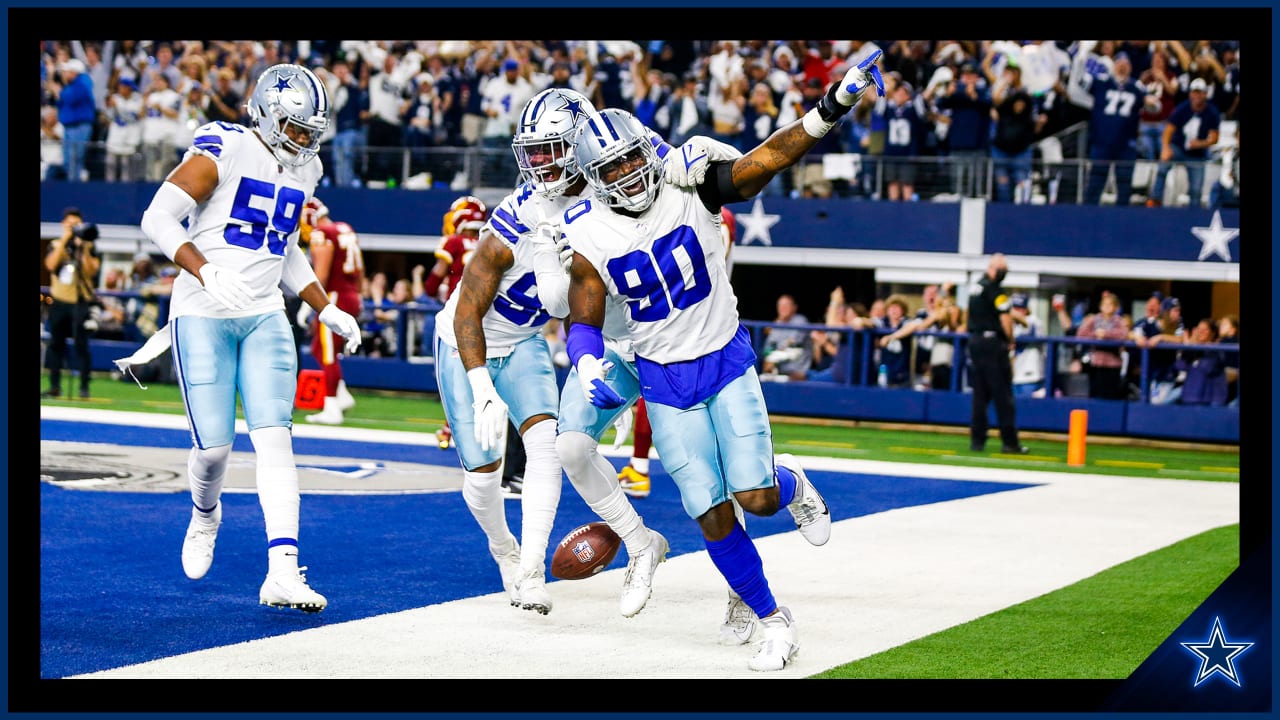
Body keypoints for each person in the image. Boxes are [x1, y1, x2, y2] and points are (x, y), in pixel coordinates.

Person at [561, 52, 882, 670]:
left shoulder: (691, 183)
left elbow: (772, 156)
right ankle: (772, 617)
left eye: (633, 156)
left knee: (755, 497)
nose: (629, 172)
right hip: (661, 377)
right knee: (707, 509)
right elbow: (585, 311)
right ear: (594, 178)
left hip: (724, 361)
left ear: (646, 148)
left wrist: (833, 105)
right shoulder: (589, 230)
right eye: (614, 166)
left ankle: (791, 484)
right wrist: (584, 361)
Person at [136, 64, 362, 613]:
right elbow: (158, 217)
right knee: (213, 450)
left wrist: (324, 306)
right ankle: (204, 513)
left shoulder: (305, 170)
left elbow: (281, 246)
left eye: (313, 131)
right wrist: (204, 270)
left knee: (275, 440)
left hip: (264, 312)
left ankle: (282, 570)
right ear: (264, 113)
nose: (305, 141)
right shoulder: (228, 147)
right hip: (201, 311)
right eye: (296, 128)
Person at [619, 205, 738, 497]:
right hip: (691, 317)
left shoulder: (710, 213)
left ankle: (739, 471)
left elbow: (705, 262)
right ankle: (642, 465)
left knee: (695, 397)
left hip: (700, 319)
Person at [429, 196, 488, 451]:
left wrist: (433, 286)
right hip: (489, 316)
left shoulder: (454, 242)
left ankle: (450, 428)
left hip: (460, 317)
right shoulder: (489, 239)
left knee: (456, 375)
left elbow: (433, 283)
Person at [299, 197, 364, 425]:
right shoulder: (344, 228)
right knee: (318, 347)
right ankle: (342, 395)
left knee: (327, 353)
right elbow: (360, 269)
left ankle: (331, 406)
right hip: (350, 295)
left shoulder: (322, 233)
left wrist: (309, 303)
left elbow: (322, 275)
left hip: (333, 297)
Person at [964, 253, 1027, 454]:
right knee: (1002, 395)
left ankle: (977, 441)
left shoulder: (976, 287)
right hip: (992, 344)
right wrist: (1010, 340)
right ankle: (1010, 442)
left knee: (980, 394)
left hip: (975, 341)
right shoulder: (995, 289)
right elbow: (1005, 318)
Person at [43, 208, 101, 399]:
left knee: (81, 346)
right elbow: (51, 265)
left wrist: (82, 246)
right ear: (63, 225)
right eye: (70, 225)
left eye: (77, 225)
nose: (74, 228)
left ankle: (84, 387)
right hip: (59, 301)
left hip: (80, 301)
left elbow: (92, 271)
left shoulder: (88, 246)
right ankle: (54, 386)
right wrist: (65, 239)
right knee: (55, 345)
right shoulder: (55, 244)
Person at [1146, 78, 1221, 208]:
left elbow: (1214, 138)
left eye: (1200, 92)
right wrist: (1165, 148)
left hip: (1197, 154)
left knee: (1196, 188)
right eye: (1194, 92)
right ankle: (1155, 199)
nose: (1197, 96)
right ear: (1190, 94)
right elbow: (1168, 130)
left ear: (1205, 94)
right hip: (1178, 147)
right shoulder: (1183, 108)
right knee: (1163, 166)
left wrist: (1201, 143)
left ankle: (1194, 213)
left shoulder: (1212, 112)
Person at [1075, 290, 1130, 400]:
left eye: (1110, 305)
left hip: (1113, 363)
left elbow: (1123, 334)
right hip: (1096, 362)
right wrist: (1095, 334)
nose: (1107, 307)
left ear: (1116, 307)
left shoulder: (1118, 321)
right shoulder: (1094, 319)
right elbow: (1081, 334)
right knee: (1095, 392)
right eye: (1105, 304)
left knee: (1111, 394)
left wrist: (1106, 334)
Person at [1008, 293, 1045, 397]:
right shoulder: (1009, 323)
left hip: (1030, 376)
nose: (1018, 311)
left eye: (1021, 308)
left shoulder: (1034, 321)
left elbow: (1026, 331)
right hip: (1013, 376)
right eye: (1015, 308)